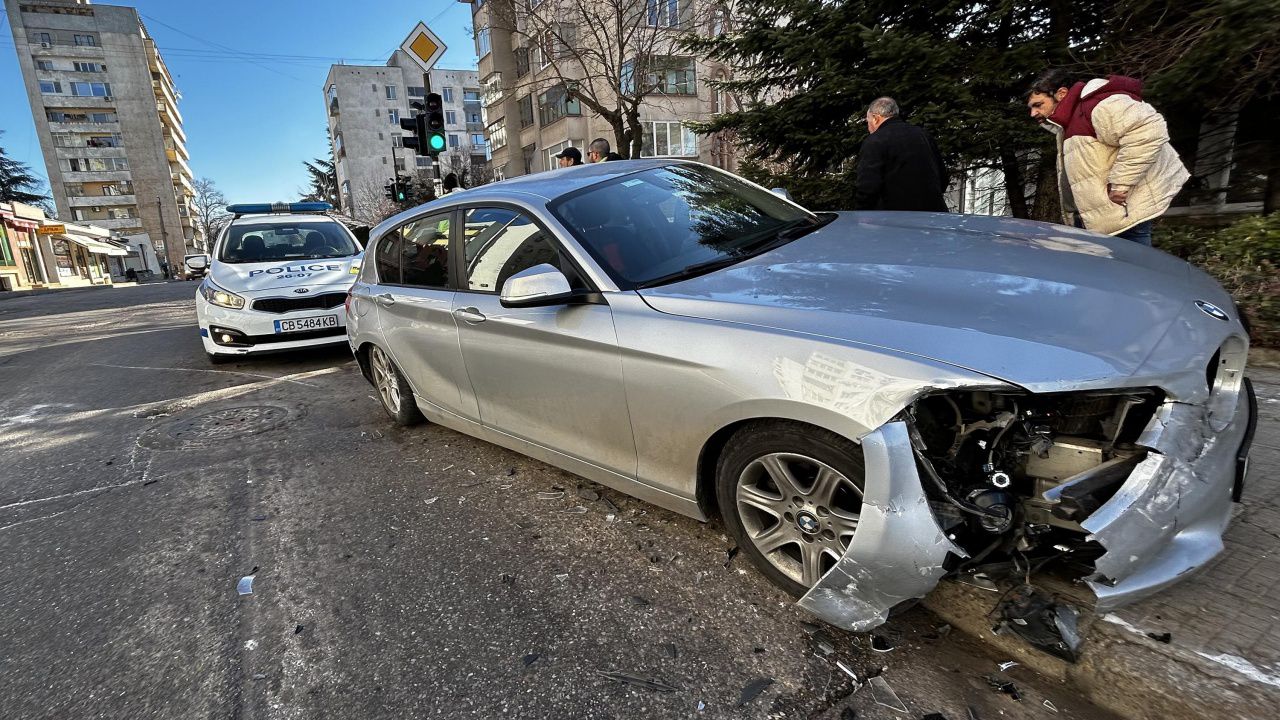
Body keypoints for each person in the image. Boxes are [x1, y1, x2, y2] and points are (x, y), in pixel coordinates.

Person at [1027, 69, 1189, 246]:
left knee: (1129, 270)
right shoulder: (1071, 119)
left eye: (1038, 105)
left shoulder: (1099, 105)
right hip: (1102, 218)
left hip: (1124, 215)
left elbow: (1149, 131)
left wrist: (1121, 183)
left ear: (1061, 94)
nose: (1033, 113)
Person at [854, 97, 949, 212]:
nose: (868, 127)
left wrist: (861, 214)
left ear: (875, 118)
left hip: (895, 219)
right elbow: (942, 177)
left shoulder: (875, 141)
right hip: (932, 215)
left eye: (867, 121)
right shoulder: (923, 135)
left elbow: (867, 187)